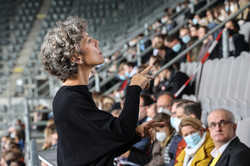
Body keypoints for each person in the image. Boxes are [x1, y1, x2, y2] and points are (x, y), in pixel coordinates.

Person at [40, 16, 164, 166]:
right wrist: (134, 89)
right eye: (89, 41)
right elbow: (122, 131)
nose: (97, 42)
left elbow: (98, 150)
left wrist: (136, 133)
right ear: (76, 58)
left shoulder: (70, 95)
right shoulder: (72, 99)